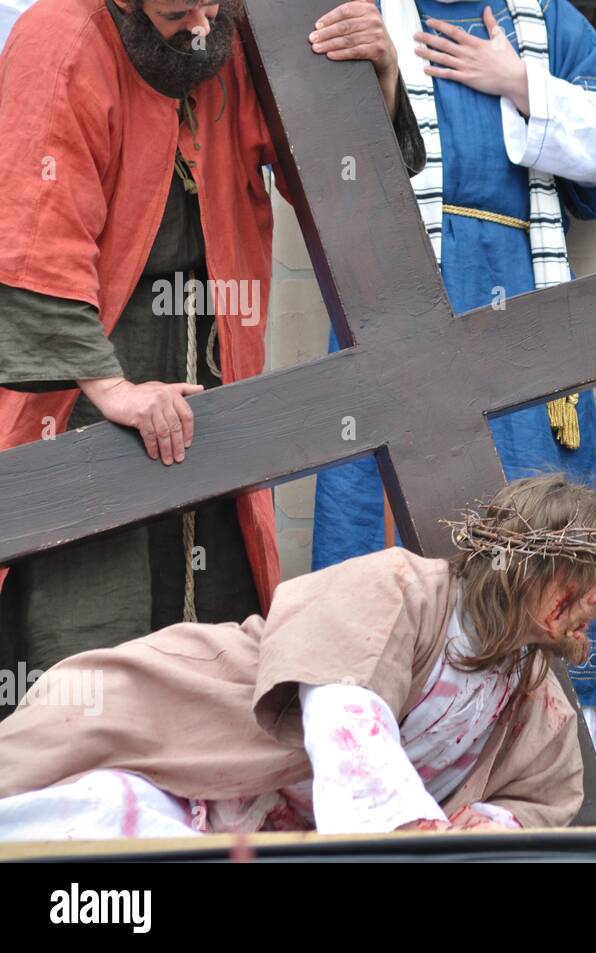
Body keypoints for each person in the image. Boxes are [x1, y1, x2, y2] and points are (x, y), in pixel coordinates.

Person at [0, 0, 425, 706]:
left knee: (225, 660)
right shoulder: (63, 35)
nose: (200, 24)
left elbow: (335, 185)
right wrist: (113, 390)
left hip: (213, 411)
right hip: (78, 398)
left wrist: (374, 84)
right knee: (84, 670)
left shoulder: (239, 32)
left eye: (210, 2)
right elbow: (33, 238)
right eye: (175, 10)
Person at [311, 0, 596, 723]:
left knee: (536, 537)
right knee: (385, 542)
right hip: (391, 319)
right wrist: (386, 80)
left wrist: (520, 81)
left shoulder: (545, 17)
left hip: (519, 321)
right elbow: (310, 165)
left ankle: (539, 787)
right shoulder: (363, 11)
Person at [0, 475, 596, 839]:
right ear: (527, 572)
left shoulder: (536, 696)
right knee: (98, 828)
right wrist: (407, 836)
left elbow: (543, 805)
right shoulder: (402, 588)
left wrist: (494, 823)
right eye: (586, 576)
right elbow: (344, 714)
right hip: (173, 760)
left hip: (266, 843)